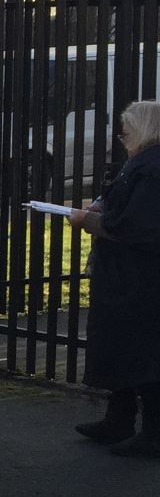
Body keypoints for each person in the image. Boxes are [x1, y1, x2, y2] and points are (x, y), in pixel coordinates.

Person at [71, 98, 160, 456]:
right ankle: (118, 418)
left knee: (143, 352)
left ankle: (151, 433)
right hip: (128, 275)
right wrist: (101, 206)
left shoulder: (149, 169)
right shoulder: (141, 165)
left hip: (139, 277)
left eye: (127, 131)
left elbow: (137, 226)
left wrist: (89, 220)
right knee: (125, 346)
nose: (122, 137)